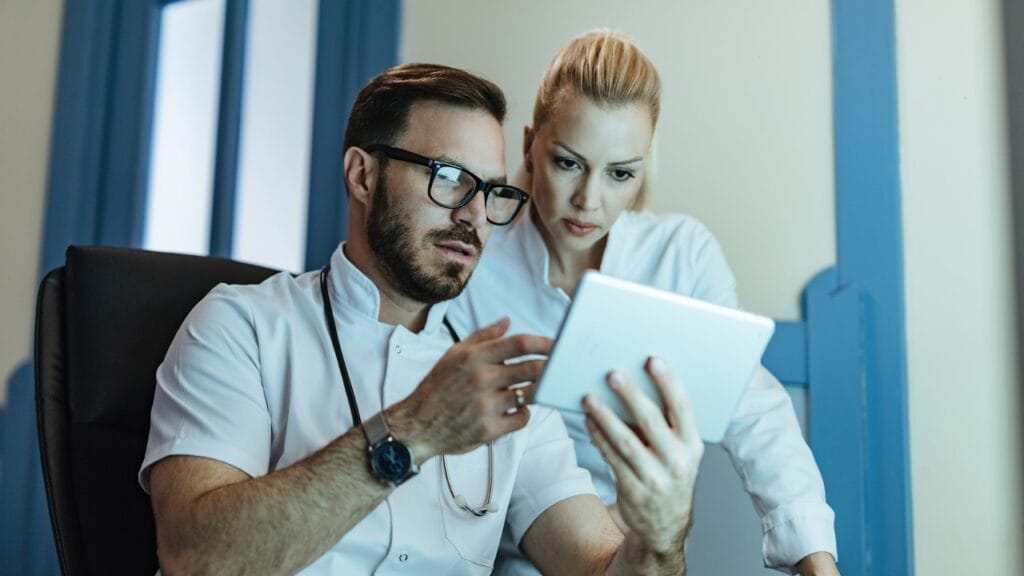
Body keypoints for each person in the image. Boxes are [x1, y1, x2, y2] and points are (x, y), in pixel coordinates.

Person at [139, 62, 703, 575]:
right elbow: (196, 557)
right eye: (450, 177)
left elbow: (599, 566)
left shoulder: (505, 380)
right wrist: (412, 432)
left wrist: (659, 538)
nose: (474, 215)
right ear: (362, 176)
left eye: (490, 190)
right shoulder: (242, 327)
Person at [447, 30, 841, 575]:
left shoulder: (681, 256)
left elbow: (757, 412)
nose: (589, 199)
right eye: (568, 163)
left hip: (646, 546)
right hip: (498, 550)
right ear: (529, 147)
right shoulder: (474, 263)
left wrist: (818, 564)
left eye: (620, 174)